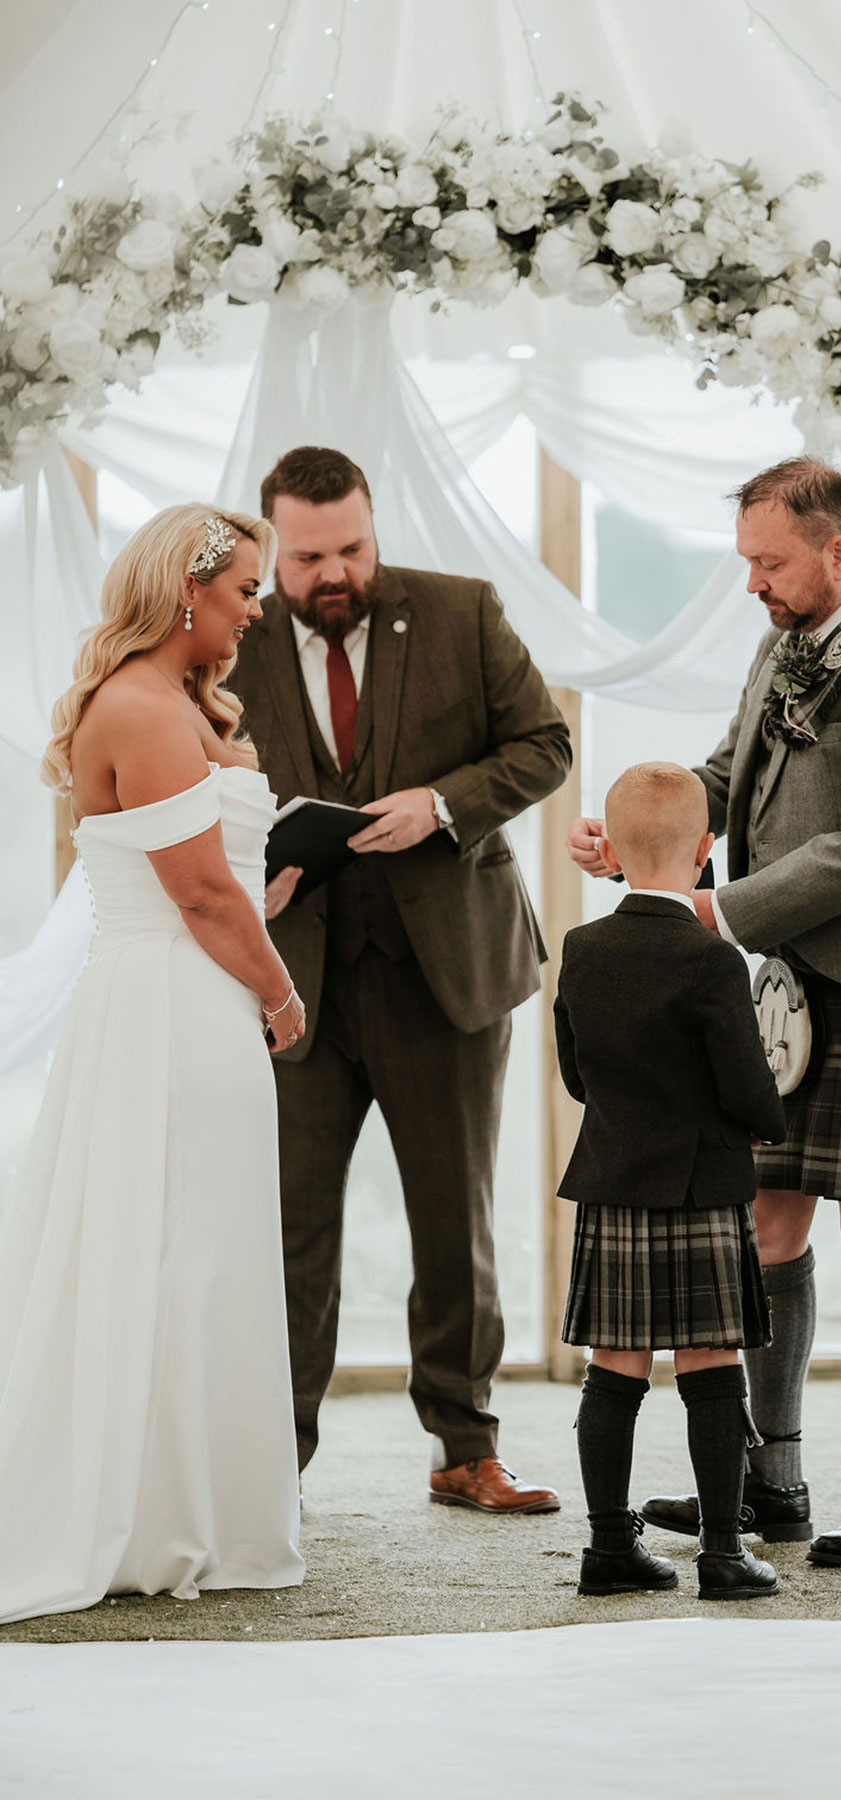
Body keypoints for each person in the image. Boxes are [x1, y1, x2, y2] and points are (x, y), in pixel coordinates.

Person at [568, 457, 841, 1566]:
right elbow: (727, 772)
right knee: (766, 1216)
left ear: (839, 554)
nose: (754, 582)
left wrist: (718, 912)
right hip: (796, 981)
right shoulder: (785, 642)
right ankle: (773, 1480)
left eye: (770, 562)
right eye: (750, 562)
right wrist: (640, 835)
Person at [227, 445, 572, 1513]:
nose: (333, 574)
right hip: (295, 985)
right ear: (273, 545)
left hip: (447, 974)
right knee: (289, 1227)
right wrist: (248, 868)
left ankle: (466, 1447)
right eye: (308, 557)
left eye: (352, 549)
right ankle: (271, 1467)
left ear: (375, 526)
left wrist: (444, 802)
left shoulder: (463, 610)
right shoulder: (230, 638)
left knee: (452, 1216)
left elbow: (544, 744)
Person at [0, 504, 305, 1624]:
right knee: (177, 1243)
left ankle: (198, 1504)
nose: (256, 610)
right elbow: (198, 895)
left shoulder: (169, 703)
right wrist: (278, 988)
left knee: (204, 1241)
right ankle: (156, 1512)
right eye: (245, 591)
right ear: (188, 590)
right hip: (171, 1008)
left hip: (182, 989)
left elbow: (210, 881)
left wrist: (257, 910)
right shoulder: (143, 706)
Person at [555, 763, 786, 1599]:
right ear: (705, 850)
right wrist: (772, 1122)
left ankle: (609, 1547)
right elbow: (745, 1084)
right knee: (711, 1365)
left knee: (613, 1368)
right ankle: (723, 1552)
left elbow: (576, 1075)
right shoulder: (713, 959)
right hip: (701, 1186)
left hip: (614, 1181)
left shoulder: (582, 950)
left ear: (609, 850)